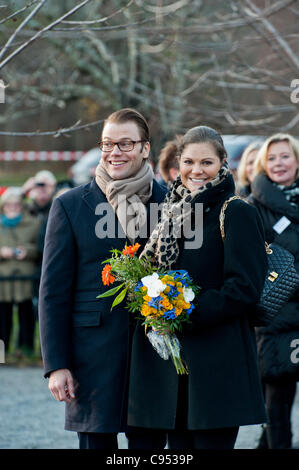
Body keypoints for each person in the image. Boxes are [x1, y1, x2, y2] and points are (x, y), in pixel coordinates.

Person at [127, 125, 268, 449]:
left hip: (217, 364)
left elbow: (244, 289)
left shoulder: (236, 212)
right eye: (189, 162)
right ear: (179, 163)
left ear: (223, 163)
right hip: (174, 371)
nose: (197, 170)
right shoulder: (171, 213)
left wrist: (183, 310)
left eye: (207, 162)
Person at [39, 108, 167, 450]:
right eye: (108, 143)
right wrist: (56, 365)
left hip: (154, 355)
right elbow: (53, 292)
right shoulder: (69, 205)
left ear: (145, 149)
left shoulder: (170, 204)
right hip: (92, 356)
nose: (114, 152)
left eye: (126, 143)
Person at [247, 133, 299, 449]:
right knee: (276, 406)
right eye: (272, 157)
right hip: (275, 320)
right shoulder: (254, 206)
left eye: (285, 156)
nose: (278, 163)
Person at [0, 187, 40, 355]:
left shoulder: (34, 223)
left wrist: (27, 251)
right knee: (3, 316)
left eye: (16, 205)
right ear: (3, 206)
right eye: (9, 205)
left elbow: (41, 248)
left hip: (25, 275)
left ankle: (26, 349)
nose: (13, 208)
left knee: (26, 314)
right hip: (4, 276)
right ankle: (3, 351)